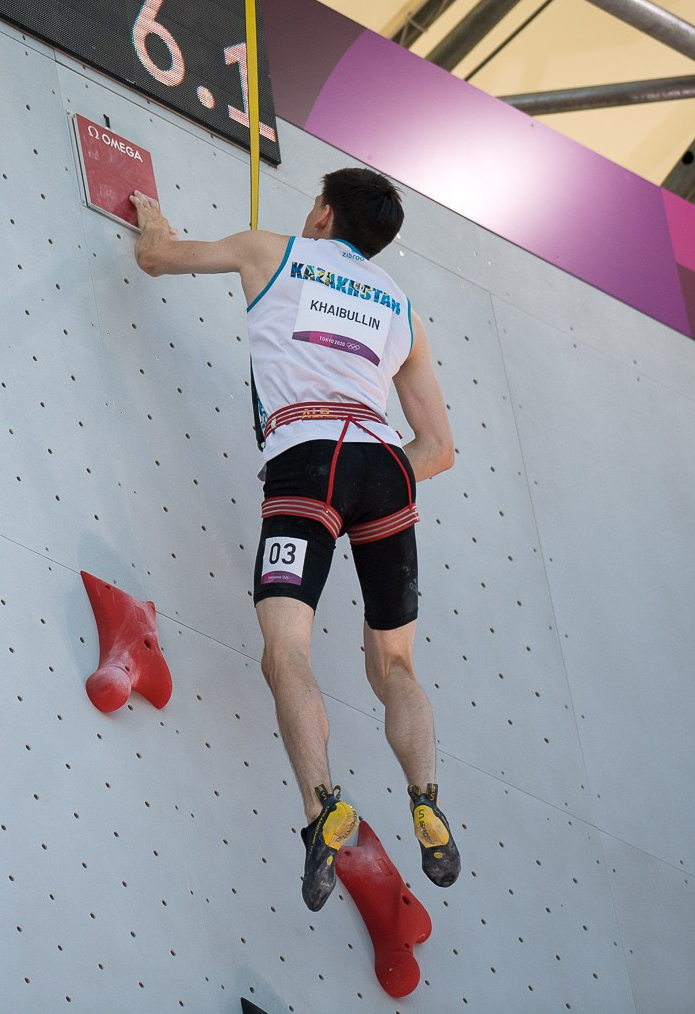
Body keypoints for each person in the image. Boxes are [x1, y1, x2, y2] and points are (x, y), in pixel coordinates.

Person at [130, 168, 457, 911]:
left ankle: (320, 810)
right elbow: (438, 448)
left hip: (309, 453)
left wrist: (153, 220)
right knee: (395, 664)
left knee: (286, 650)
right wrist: (369, 478)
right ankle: (426, 798)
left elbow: (156, 258)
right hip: (385, 464)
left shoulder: (269, 250)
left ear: (324, 214)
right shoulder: (402, 309)